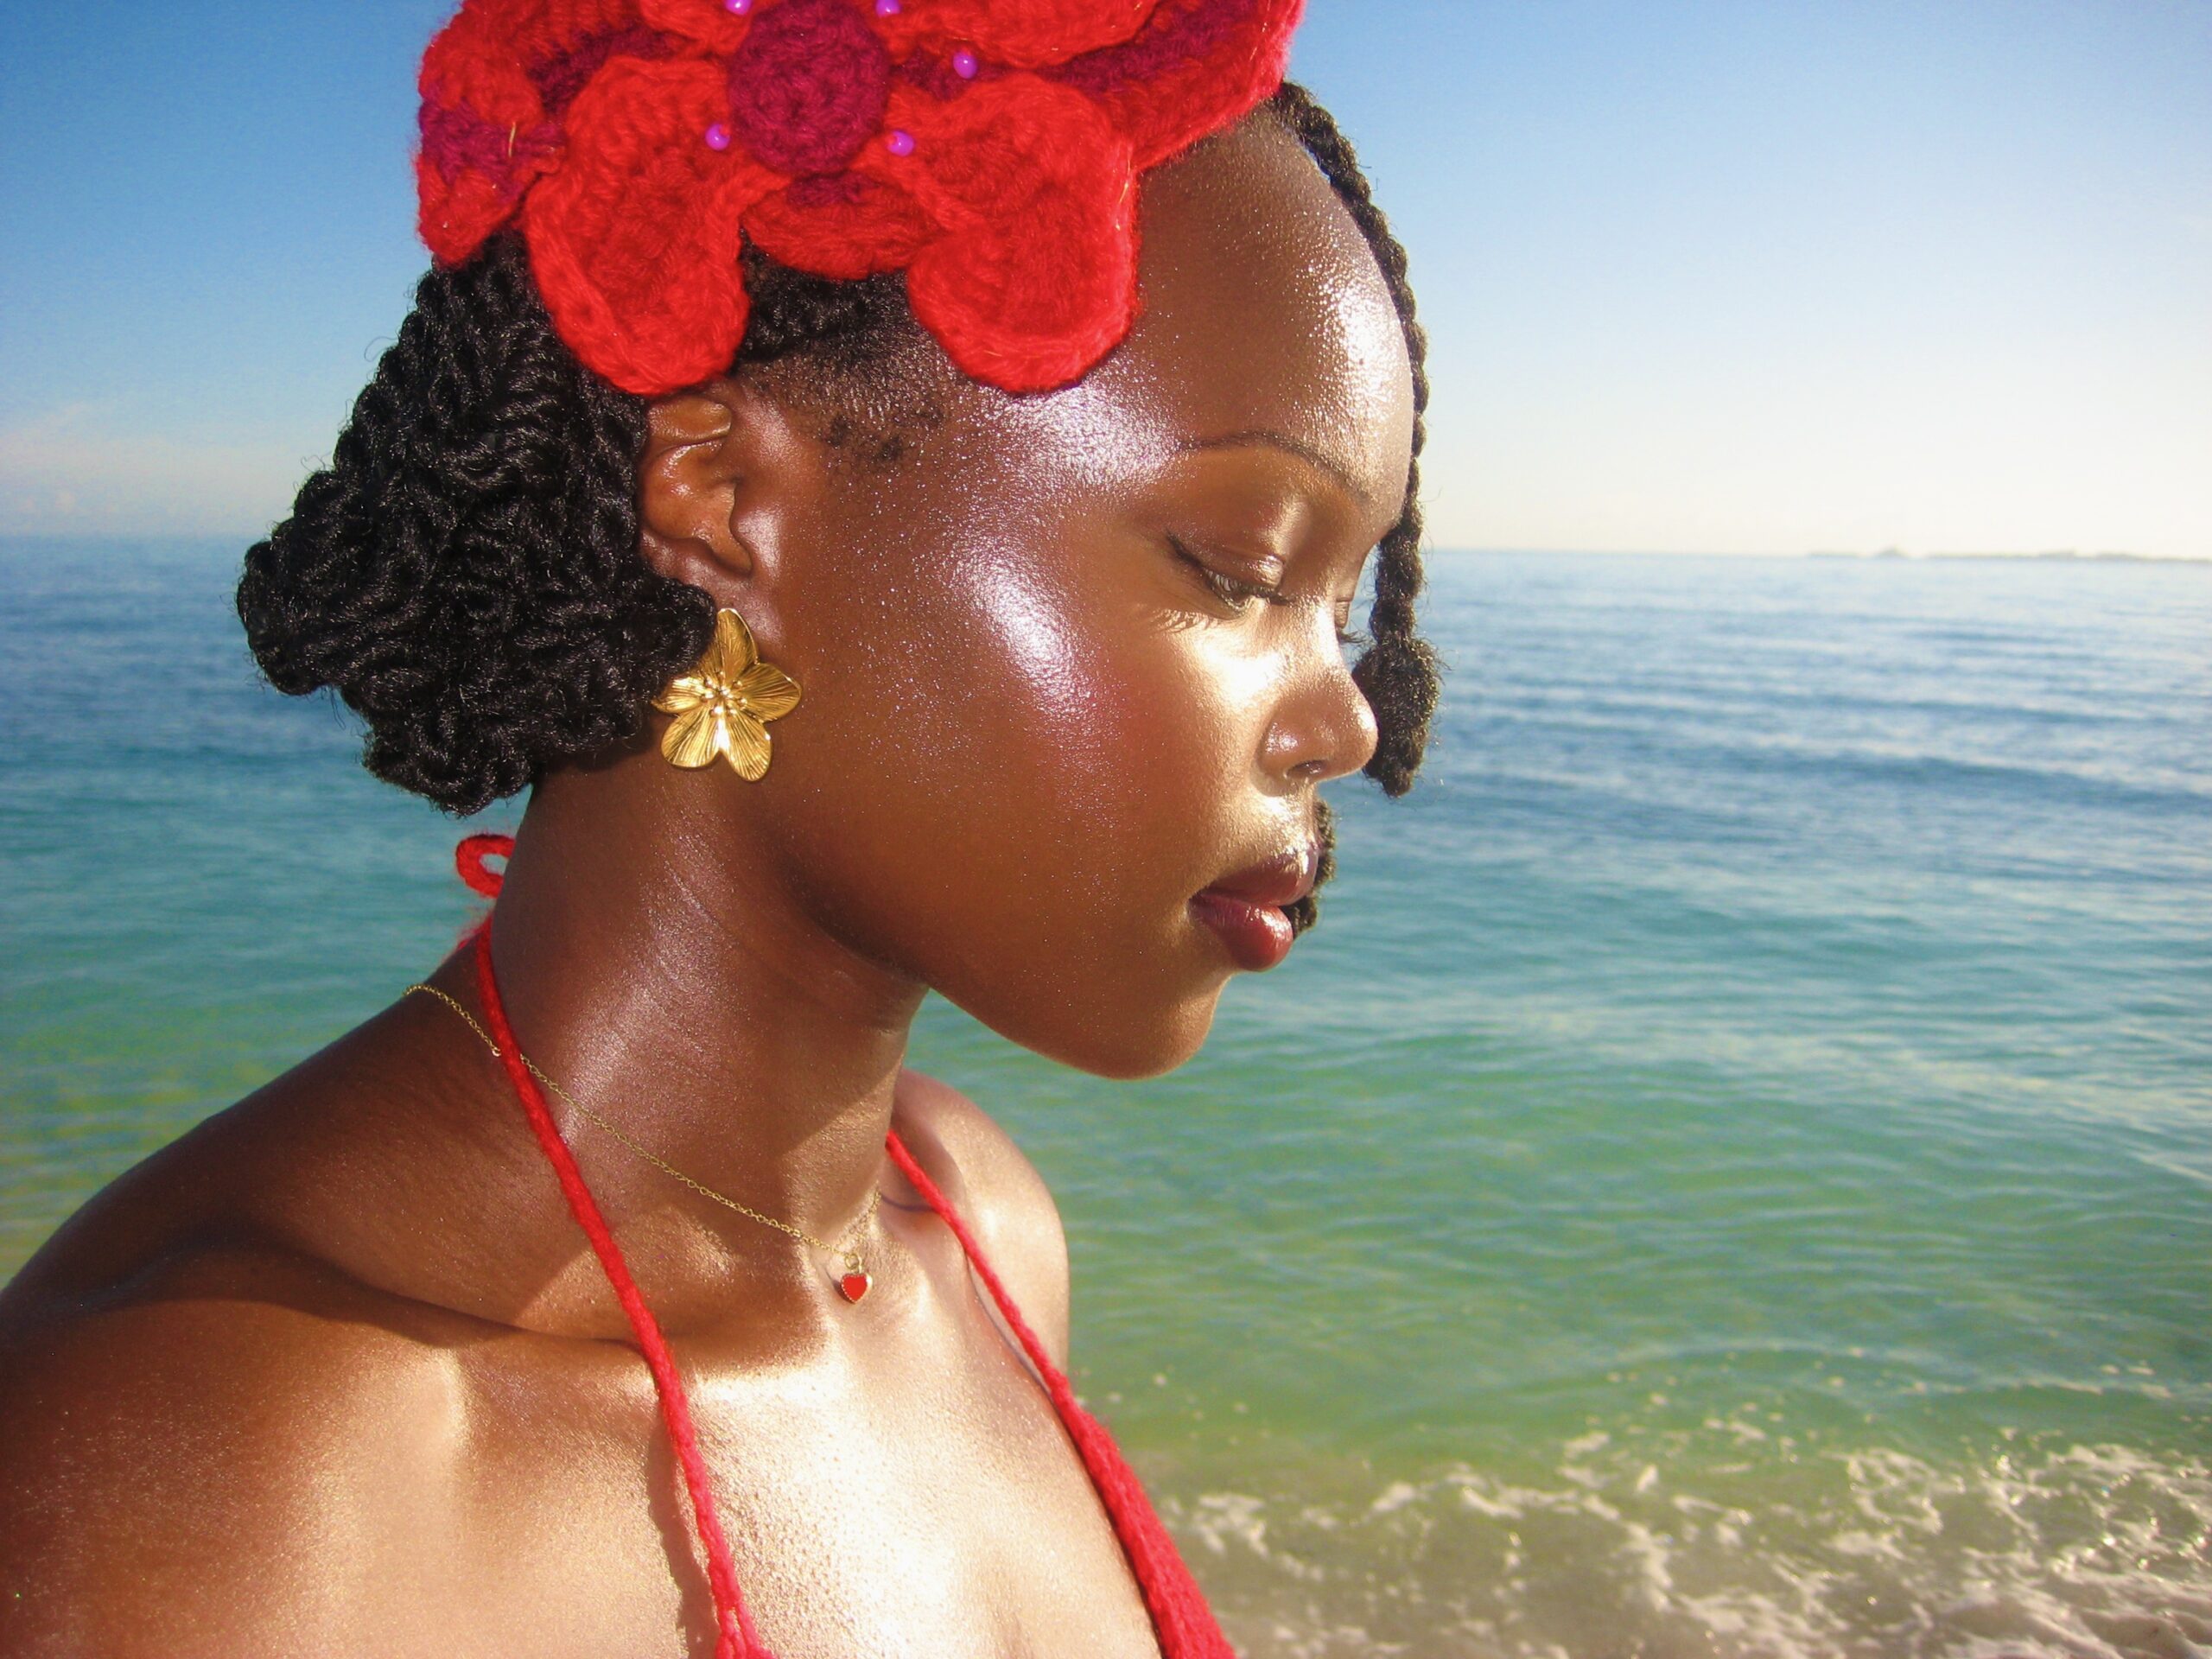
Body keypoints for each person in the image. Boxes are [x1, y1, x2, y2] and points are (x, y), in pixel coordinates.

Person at [0, 1, 1440, 1652]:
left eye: (1351, 599)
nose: (1349, 716)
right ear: (719, 502)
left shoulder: (979, 1227)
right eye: (1243, 568)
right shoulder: (225, 1490)